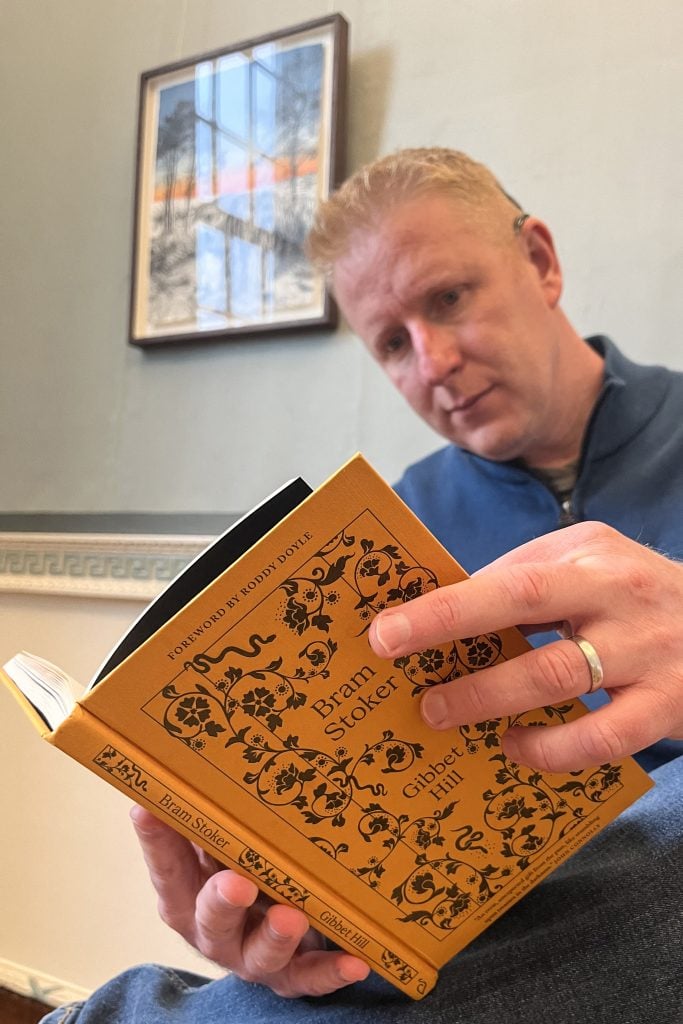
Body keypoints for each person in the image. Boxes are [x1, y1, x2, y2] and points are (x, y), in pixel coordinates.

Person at [40, 149, 683, 1023]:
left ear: (539, 261)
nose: (434, 360)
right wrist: (300, 906)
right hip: (499, 936)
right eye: (390, 343)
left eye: (449, 297)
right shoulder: (389, 536)